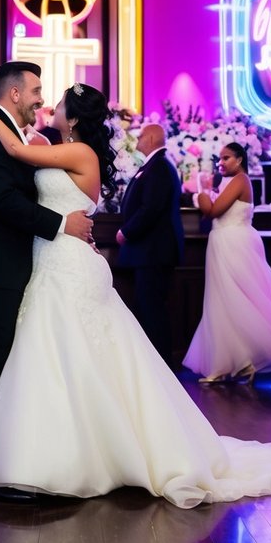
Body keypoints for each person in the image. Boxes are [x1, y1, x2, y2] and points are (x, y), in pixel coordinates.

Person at [0, 84, 271, 508]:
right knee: (51, 354)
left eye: (59, 103)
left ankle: (78, 453)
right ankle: (47, 447)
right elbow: (26, 152)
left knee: (67, 350)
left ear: (75, 117)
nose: (49, 105)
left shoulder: (78, 153)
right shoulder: (54, 144)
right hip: (48, 258)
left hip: (67, 261)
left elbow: (16, 150)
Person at [0, 61, 94, 480]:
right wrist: (60, 224)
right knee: (1, 359)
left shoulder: (11, 133)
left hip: (14, 262)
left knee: (9, 360)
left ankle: (7, 458)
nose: (42, 100)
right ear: (14, 94)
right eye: (35, 91)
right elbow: (2, 202)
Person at [182, 142, 271, 384]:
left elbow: (213, 211)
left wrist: (202, 190)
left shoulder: (241, 180)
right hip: (224, 242)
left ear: (239, 159)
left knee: (236, 298)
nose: (221, 162)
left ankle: (240, 360)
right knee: (223, 302)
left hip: (234, 243)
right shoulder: (231, 182)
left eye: (227, 158)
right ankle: (238, 362)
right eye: (220, 158)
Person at [115, 123, 184, 365]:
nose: (138, 140)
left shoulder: (160, 167)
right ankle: (154, 364)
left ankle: (161, 364)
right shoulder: (155, 166)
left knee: (153, 310)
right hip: (148, 253)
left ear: (153, 137)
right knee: (147, 308)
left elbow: (151, 207)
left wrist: (127, 231)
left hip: (153, 252)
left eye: (142, 136)